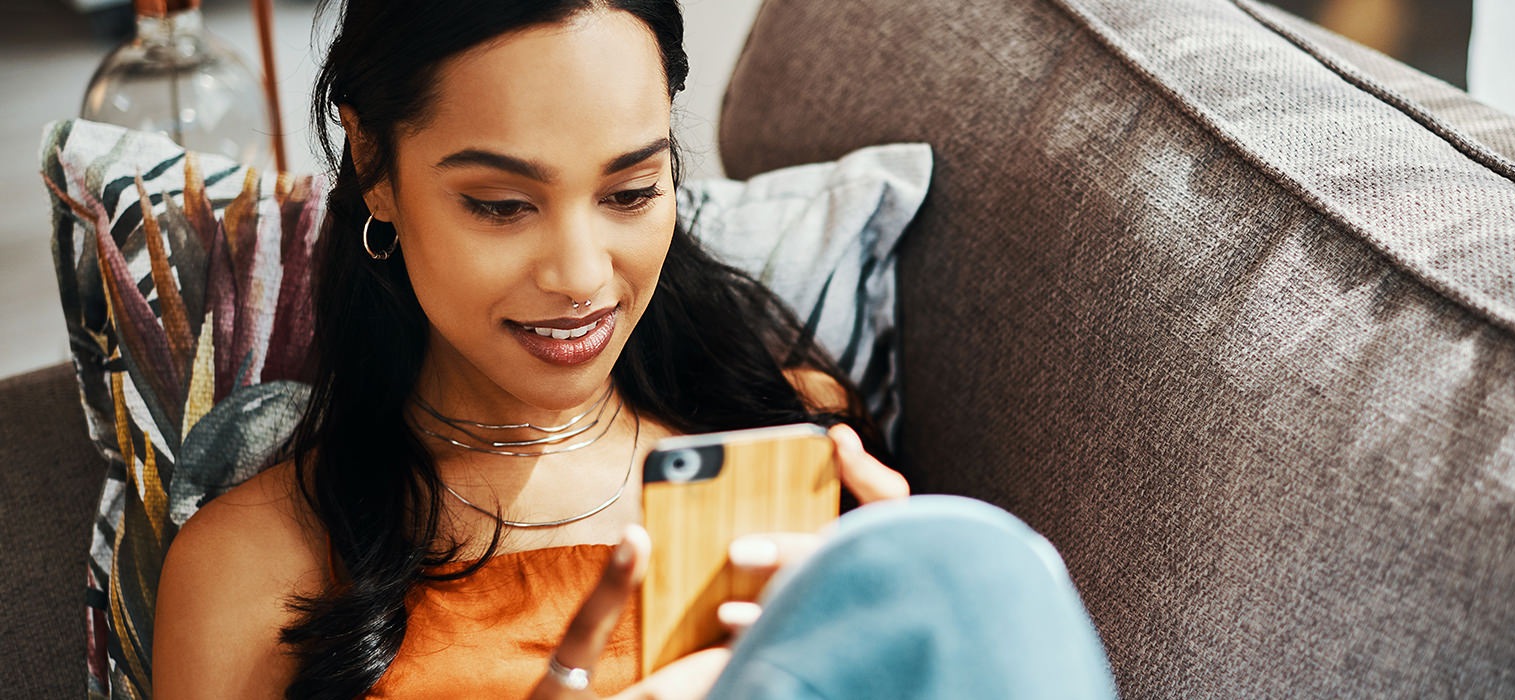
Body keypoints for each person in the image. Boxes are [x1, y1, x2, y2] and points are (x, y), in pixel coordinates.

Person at [150, 1, 1114, 698]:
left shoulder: (798, 443)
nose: (579, 274)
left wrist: (917, 595)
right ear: (373, 164)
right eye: (500, 204)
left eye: (630, 192)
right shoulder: (253, 569)